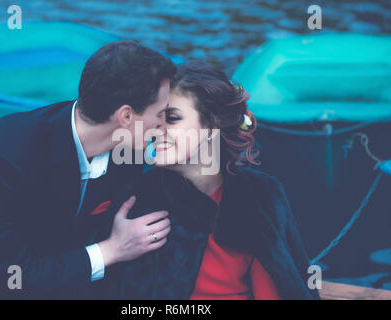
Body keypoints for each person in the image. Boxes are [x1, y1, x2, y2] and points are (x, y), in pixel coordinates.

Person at [0, 40, 175, 299]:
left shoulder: (129, 147)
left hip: (59, 254)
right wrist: (110, 250)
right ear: (126, 116)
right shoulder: (4, 159)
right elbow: (13, 275)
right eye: (161, 114)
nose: (165, 125)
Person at [100, 61, 320, 300]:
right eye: (156, 118)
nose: (156, 129)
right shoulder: (138, 196)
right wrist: (113, 248)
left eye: (172, 118)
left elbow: (279, 288)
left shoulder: (259, 194)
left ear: (211, 127)